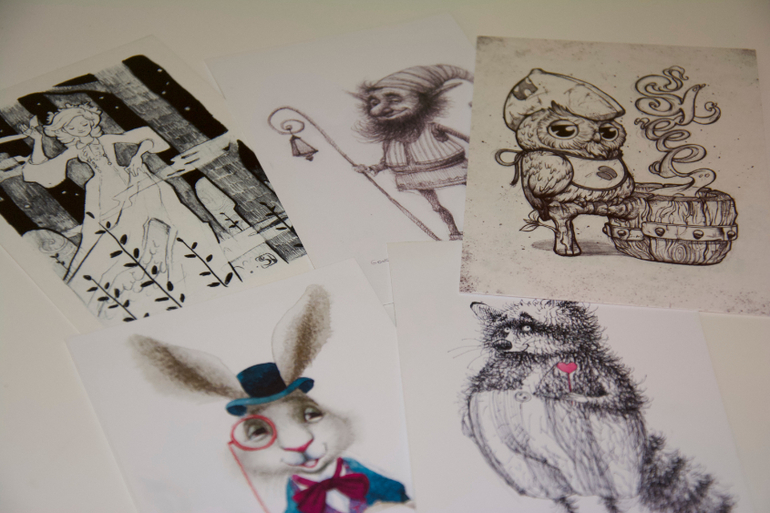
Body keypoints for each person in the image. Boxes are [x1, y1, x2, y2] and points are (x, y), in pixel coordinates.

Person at [19, 104, 228, 319]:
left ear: (91, 122)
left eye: (82, 124)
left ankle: (176, 261)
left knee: (153, 213)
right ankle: (135, 271)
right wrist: (37, 140)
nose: (80, 129)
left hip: (127, 180)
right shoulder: (75, 150)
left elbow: (148, 139)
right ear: (65, 131)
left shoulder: (105, 139)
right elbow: (44, 171)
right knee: (111, 230)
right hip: (103, 190)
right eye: (72, 128)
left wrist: (138, 156)